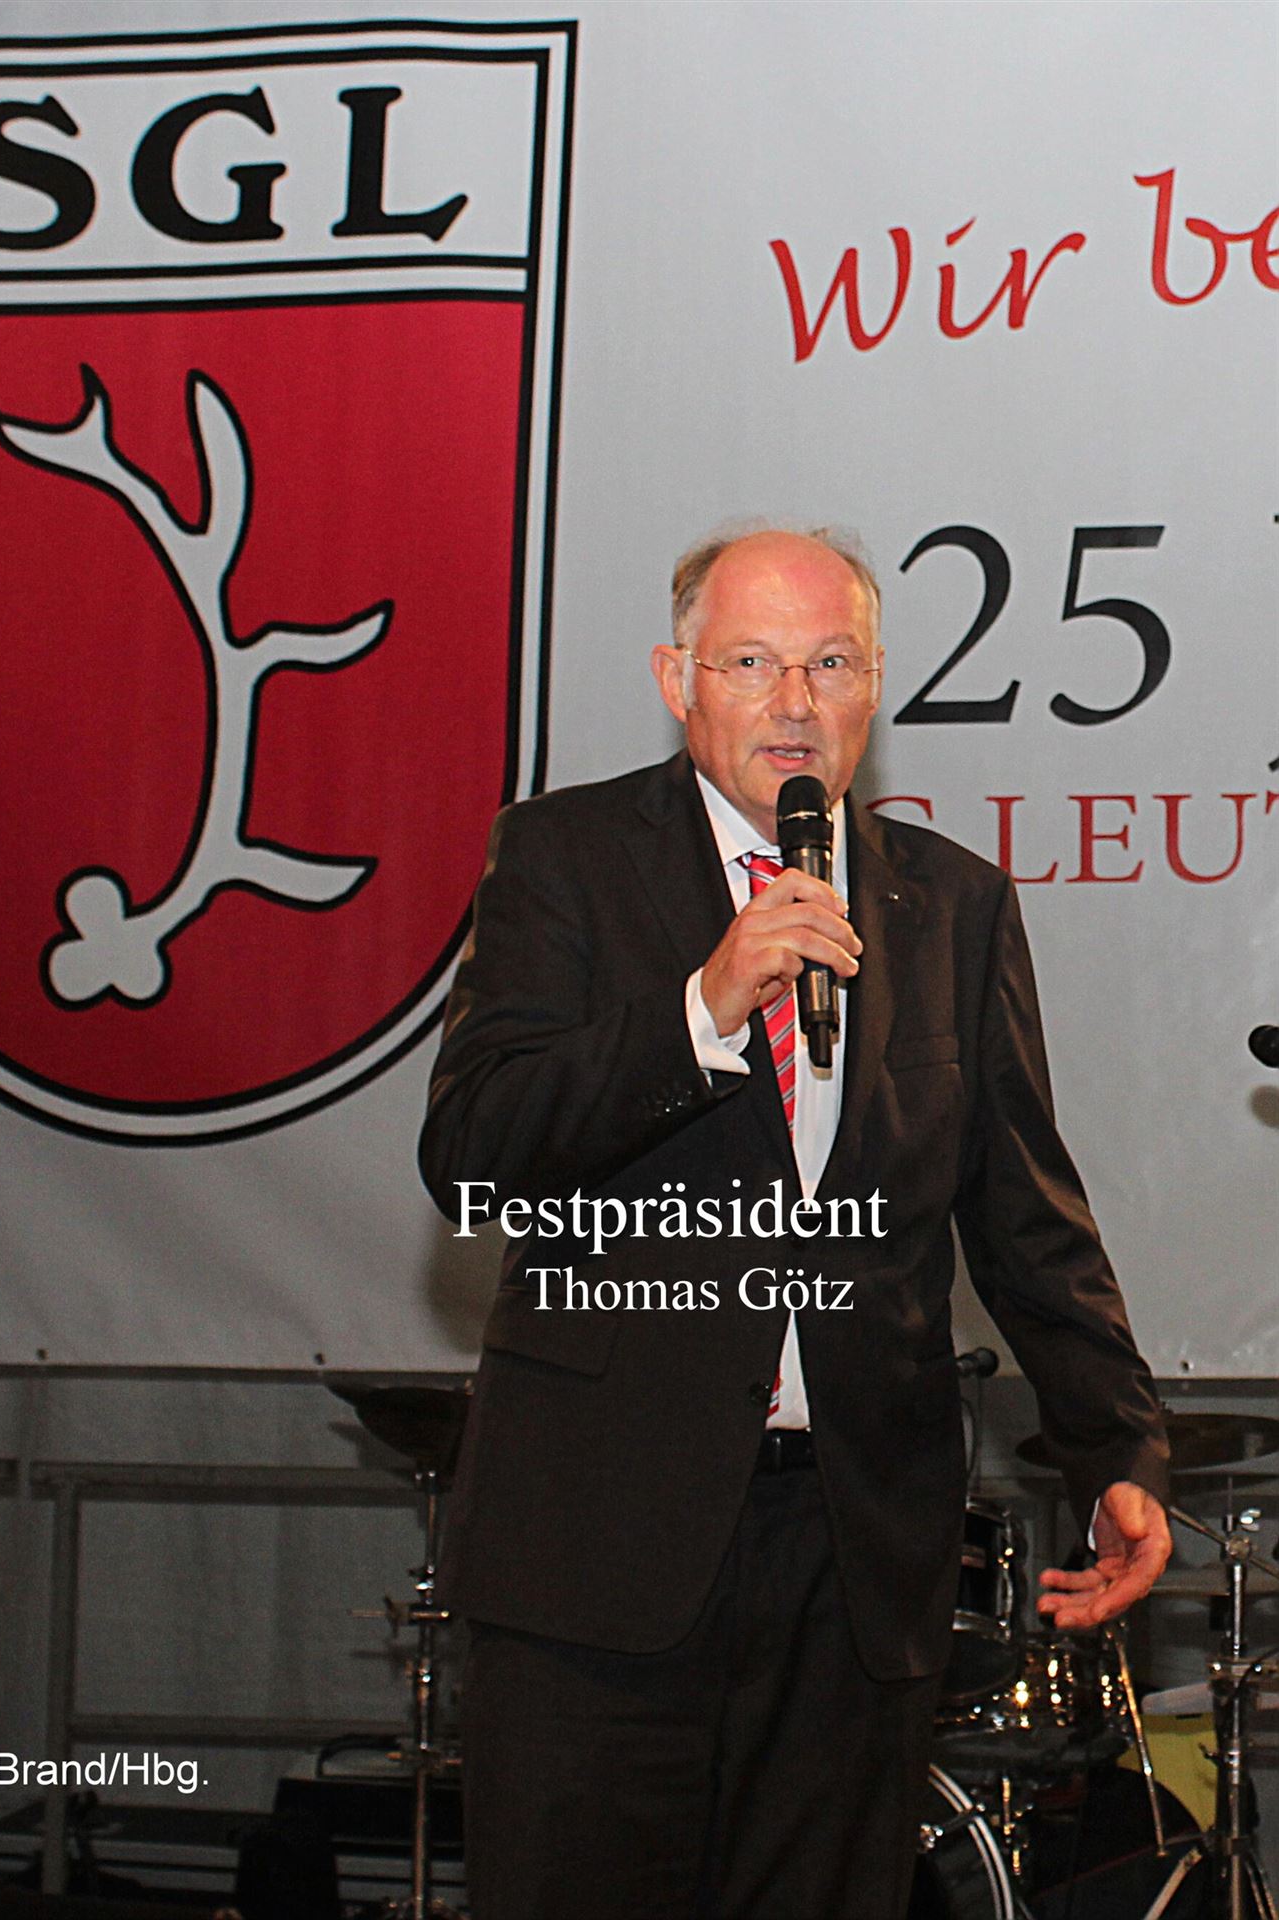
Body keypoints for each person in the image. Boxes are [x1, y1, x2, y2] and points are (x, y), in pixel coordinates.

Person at [418, 525, 1171, 1920]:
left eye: (830, 664)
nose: (792, 701)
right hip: (601, 1540)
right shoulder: (564, 858)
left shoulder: (951, 904)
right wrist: (701, 1009)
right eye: (751, 663)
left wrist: (1114, 1448)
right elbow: (473, 1150)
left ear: (874, 687)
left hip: (853, 1550)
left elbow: (1025, 1215)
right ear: (676, 680)